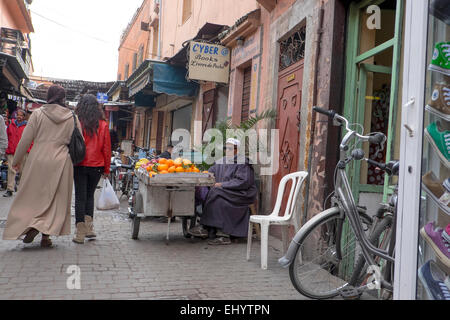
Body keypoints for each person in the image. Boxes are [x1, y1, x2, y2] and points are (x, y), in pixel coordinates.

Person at [2, 85, 81, 247]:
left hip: (37, 159)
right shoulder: (72, 117)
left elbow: (25, 139)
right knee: (54, 200)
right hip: (62, 161)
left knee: (34, 196)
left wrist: (16, 160)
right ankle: (46, 236)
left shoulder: (38, 114)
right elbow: (81, 142)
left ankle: (32, 224)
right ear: (63, 98)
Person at [189, 138, 257, 245]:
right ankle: (209, 229)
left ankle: (217, 232)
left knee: (216, 193)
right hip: (225, 191)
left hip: (241, 193)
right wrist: (207, 174)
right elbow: (211, 171)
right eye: (225, 148)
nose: (227, 150)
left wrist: (222, 185)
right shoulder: (222, 161)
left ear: (236, 150)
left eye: (229, 148)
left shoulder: (243, 162)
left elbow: (243, 182)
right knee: (209, 192)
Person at [73, 94, 111, 244]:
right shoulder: (103, 125)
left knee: (80, 198)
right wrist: (107, 169)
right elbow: (106, 149)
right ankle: (89, 228)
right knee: (89, 196)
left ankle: (80, 233)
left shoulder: (77, 123)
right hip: (97, 165)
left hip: (80, 164)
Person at [4, 109, 32, 197]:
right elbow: (7, 136)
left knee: (22, 171)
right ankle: (10, 189)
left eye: (21, 115)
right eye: (18, 115)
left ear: (24, 117)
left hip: (23, 152)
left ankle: (21, 190)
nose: (19, 117)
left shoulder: (28, 126)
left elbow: (31, 139)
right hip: (12, 151)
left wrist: (29, 150)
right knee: (11, 170)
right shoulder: (11, 125)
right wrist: (7, 148)